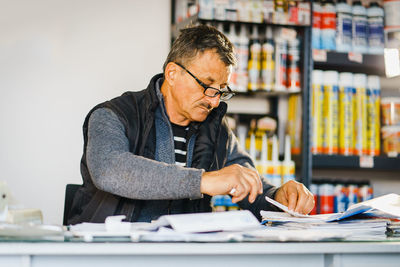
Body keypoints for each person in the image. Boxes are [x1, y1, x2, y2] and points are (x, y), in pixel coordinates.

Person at [67, 24, 314, 224]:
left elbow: (250, 188)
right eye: (206, 86)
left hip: (186, 256)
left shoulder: (217, 131)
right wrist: (203, 181)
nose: (214, 101)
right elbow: (110, 170)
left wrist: (279, 196)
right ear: (173, 73)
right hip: (113, 256)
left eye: (221, 90)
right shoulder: (113, 115)